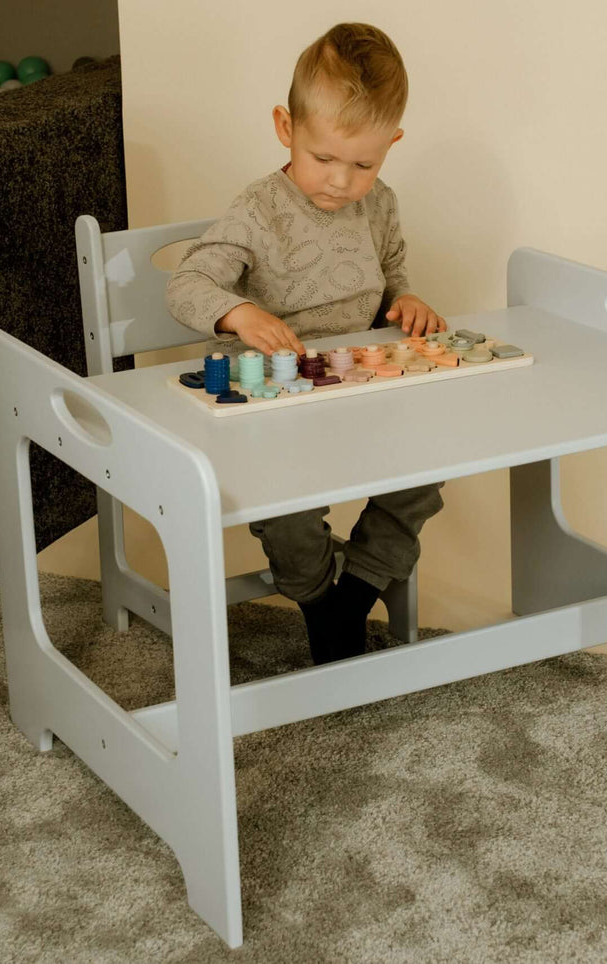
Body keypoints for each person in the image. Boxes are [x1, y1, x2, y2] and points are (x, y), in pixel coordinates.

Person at [166, 22, 446, 665]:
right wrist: (238, 313)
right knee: (287, 509)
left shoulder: (380, 206)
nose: (341, 181)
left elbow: (391, 277)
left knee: (424, 477)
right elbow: (188, 283)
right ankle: (321, 601)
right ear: (285, 127)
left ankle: (359, 590)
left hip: (360, 388)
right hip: (280, 398)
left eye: (364, 164)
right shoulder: (259, 208)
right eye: (324, 158)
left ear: (391, 145)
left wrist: (407, 301)